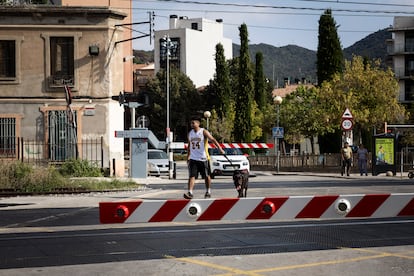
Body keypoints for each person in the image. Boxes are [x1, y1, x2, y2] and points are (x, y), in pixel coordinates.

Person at [184, 117, 224, 199]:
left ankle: (208, 191)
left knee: (206, 176)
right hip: (193, 158)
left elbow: (213, 139)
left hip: (203, 158)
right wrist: (188, 156)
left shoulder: (203, 132)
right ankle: (190, 192)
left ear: (198, 124)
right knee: (192, 176)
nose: (192, 124)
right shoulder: (190, 133)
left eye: (193, 123)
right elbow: (189, 145)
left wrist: (220, 148)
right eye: (191, 123)